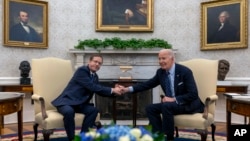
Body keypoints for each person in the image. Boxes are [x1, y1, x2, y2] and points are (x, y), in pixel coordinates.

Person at [121, 49, 204, 141]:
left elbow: (193, 94)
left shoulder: (185, 72)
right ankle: (158, 135)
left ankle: (169, 137)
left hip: (188, 104)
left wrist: (174, 99)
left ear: (172, 59)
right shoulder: (161, 72)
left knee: (166, 106)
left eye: (163, 58)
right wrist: (127, 89)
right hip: (171, 105)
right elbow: (147, 84)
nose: (161, 61)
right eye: (159, 59)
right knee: (150, 108)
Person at [51, 54, 123, 141]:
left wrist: (115, 92)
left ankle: (83, 136)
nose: (97, 64)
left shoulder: (95, 76)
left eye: (99, 63)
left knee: (93, 110)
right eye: (95, 61)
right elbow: (92, 86)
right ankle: (72, 138)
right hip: (67, 101)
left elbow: (98, 90)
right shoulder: (82, 70)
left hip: (79, 104)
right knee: (69, 112)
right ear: (89, 61)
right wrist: (112, 89)